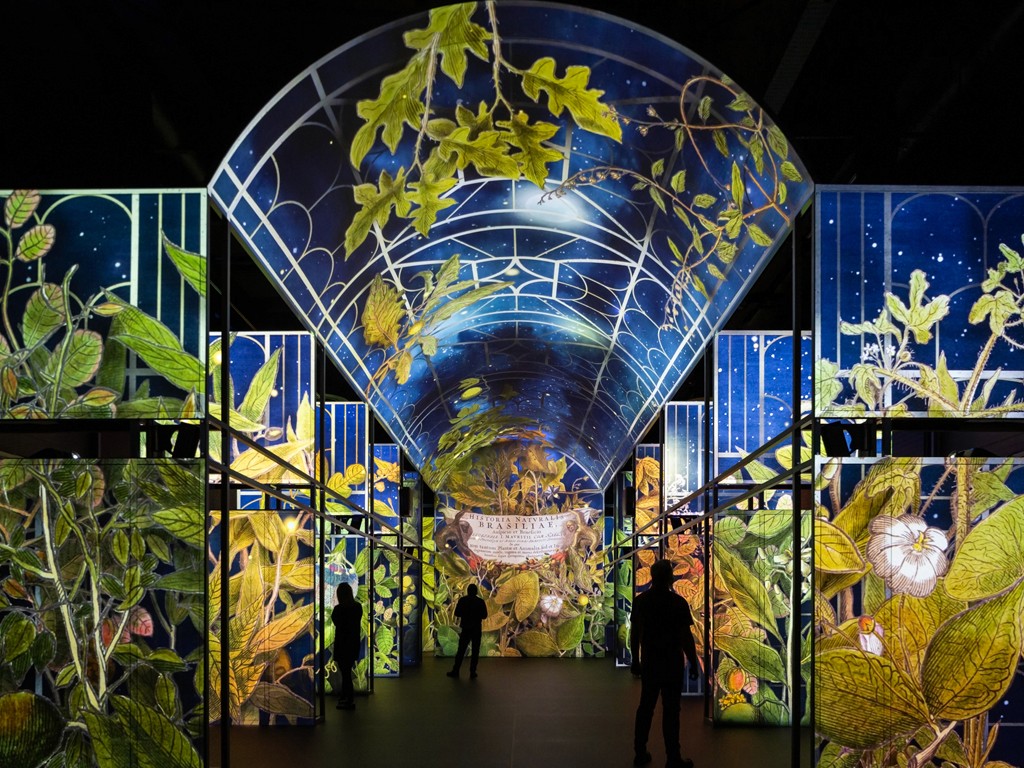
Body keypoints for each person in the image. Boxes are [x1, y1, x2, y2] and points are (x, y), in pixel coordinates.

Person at [630, 559, 700, 768]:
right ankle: (673, 757)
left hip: (651, 661)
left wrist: (635, 659)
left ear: (651, 576)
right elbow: (685, 636)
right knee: (671, 710)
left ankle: (640, 752)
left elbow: (636, 633)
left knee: (646, 708)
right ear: (670, 577)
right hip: (672, 662)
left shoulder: (642, 601)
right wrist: (694, 663)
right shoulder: (678, 603)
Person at [331, 582, 362, 709]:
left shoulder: (338, 609)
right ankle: (346, 697)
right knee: (347, 672)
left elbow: (336, 622)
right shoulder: (357, 607)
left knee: (345, 673)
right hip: (353, 643)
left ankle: (348, 699)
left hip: (342, 644)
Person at [446, 583, 487, 679]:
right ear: (476, 592)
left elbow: (457, 613)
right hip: (476, 629)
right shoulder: (480, 602)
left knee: (461, 650)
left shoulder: (463, 600)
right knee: (475, 651)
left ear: (467, 591)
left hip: (466, 628)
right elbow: (484, 616)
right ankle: (473, 672)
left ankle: (456, 670)